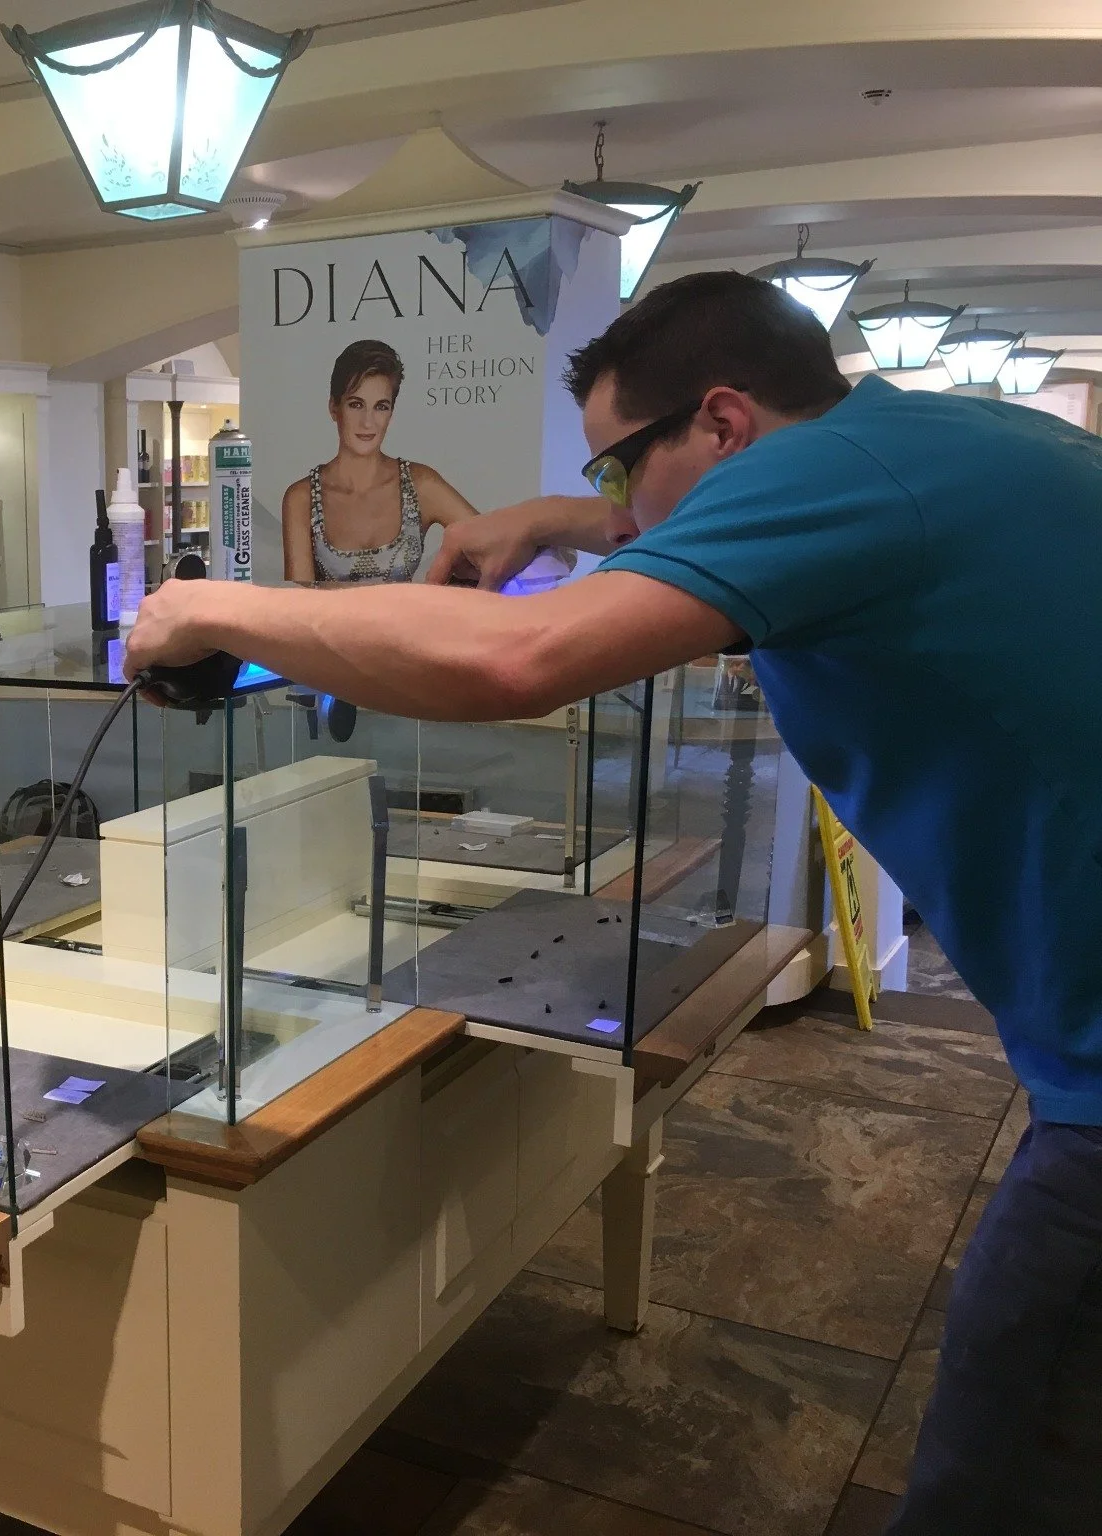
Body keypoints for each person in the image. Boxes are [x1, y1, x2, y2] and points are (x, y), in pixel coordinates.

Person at [127, 269, 1102, 1534]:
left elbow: (519, 658)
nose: (612, 500)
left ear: (723, 421)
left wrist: (203, 605)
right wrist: (553, 520)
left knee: (1006, 1468)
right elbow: (726, 556)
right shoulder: (937, 439)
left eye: (615, 466)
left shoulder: (830, 482)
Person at [280, 338, 480, 584]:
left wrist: (445, 594)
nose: (368, 422)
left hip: (408, 624)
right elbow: (297, 607)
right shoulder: (301, 498)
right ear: (334, 407)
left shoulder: (421, 485)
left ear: (391, 413)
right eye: (356, 405)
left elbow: (495, 545)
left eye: (381, 407)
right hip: (325, 624)